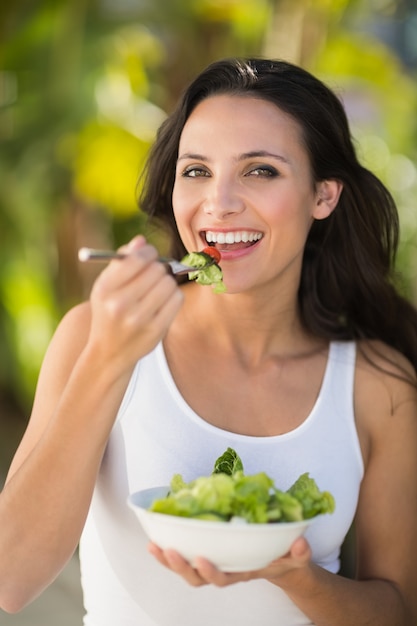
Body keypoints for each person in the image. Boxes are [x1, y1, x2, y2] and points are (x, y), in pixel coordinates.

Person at [1, 57, 417, 626]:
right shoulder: (94, 337)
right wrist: (109, 358)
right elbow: (10, 578)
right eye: (196, 171)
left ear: (323, 195)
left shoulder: (379, 386)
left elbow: (397, 611)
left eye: (260, 171)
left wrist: (294, 574)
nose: (218, 203)